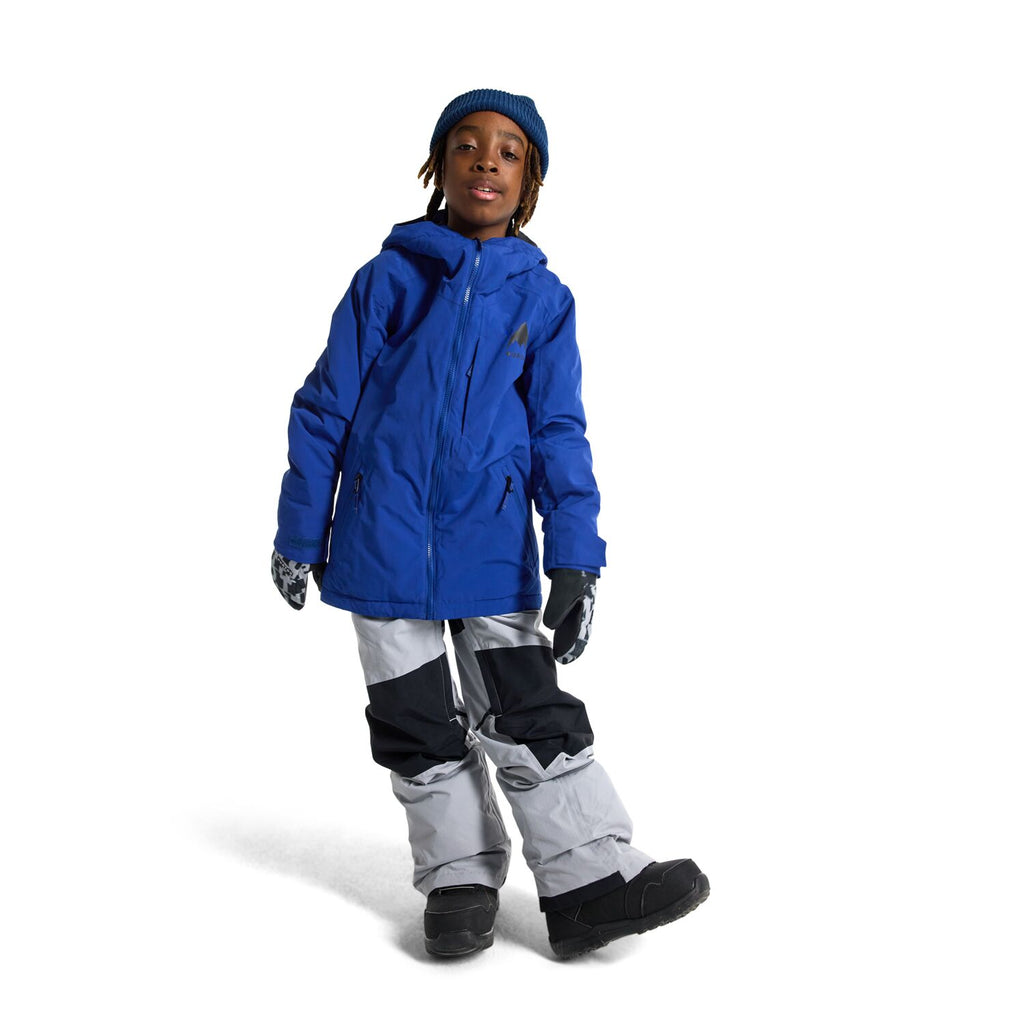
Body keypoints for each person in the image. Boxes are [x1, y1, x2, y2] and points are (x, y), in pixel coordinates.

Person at [271, 88, 709, 959]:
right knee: (415, 721)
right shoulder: (388, 279)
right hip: (381, 540)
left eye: (509, 153)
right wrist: (298, 534)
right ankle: (460, 879)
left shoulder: (542, 300)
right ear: (439, 166)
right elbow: (324, 409)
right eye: (467, 145)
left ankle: (587, 881)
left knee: (527, 710)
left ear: (529, 181)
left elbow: (558, 431)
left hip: (492, 544)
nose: (486, 162)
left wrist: (576, 559)